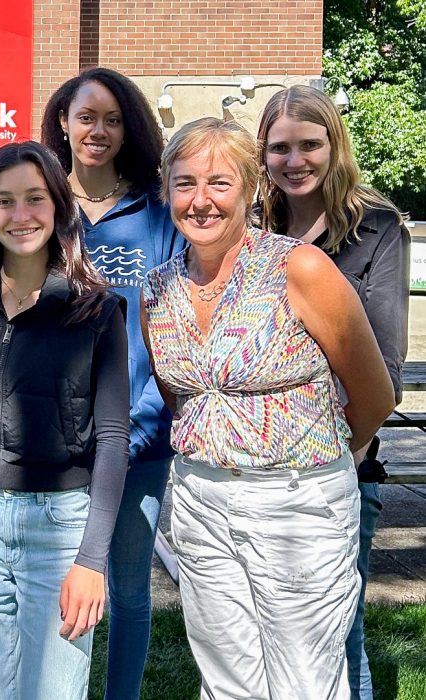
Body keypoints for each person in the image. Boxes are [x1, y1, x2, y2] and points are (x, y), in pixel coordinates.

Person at [142, 117, 395, 699]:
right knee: (226, 679)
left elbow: (376, 395)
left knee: (306, 681)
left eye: (219, 183)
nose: (200, 201)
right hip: (202, 505)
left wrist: (314, 457)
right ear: (166, 191)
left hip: (298, 503)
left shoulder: (298, 269)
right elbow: (182, 397)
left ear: (254, 188)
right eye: (184, 184)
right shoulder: (158, 290)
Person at [0, 141, 131, 699]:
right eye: (5, 202)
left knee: (56, 689)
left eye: (35, 199)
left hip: (59, 526)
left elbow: (112, 441)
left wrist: (91, 560)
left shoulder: (97, 312)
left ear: (59, 208)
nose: (20, 216)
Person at [256, 84, 411, 700]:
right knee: (262, 639)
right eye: (280, 148)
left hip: (338, 467)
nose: (295, 161)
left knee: (335, 638)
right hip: (256, 472)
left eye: (309, 145)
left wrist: (336, 460)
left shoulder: (376, 230)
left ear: (334, 145)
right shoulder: (252, 230)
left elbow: (384, 372)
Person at [41, 67, 184, 700]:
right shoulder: (39, 205)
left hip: (140, 435)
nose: (97, 130)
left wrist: (144, 424)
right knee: (58, 583)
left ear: (128, 129)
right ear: (63, 124)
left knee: (128, 586)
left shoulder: (158, 215)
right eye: (85, 117)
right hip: (51, 441)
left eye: (112, 119)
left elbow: (173, 327)